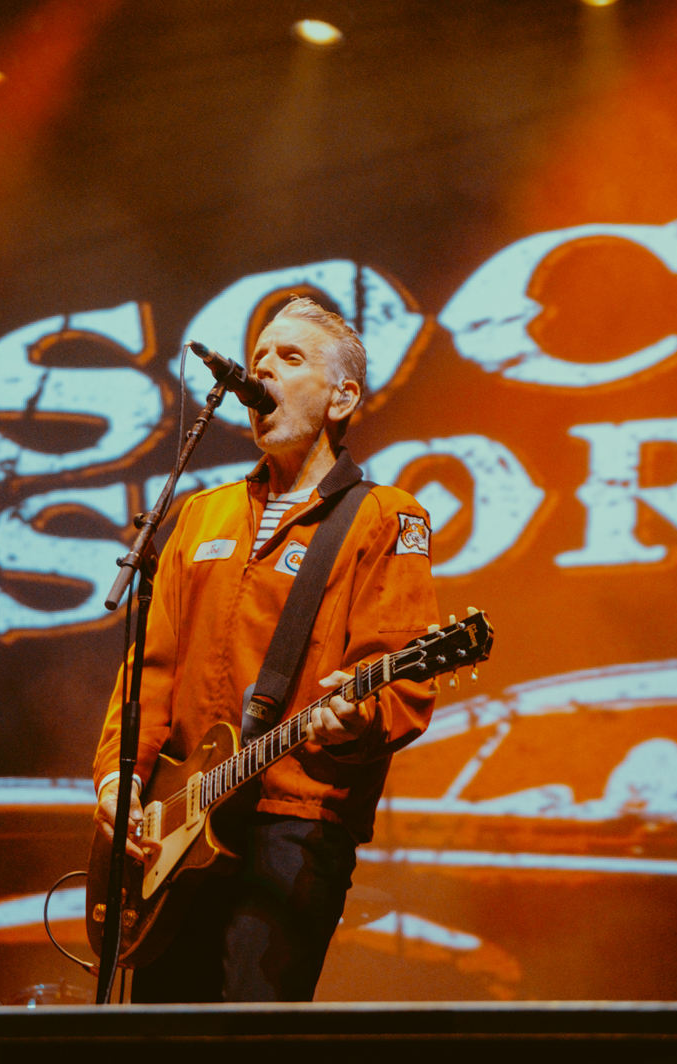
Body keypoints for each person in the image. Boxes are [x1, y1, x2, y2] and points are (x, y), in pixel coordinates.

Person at [93, 296, 440, 1003]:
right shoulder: (202, 514)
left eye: (290, 357)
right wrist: (119, 780)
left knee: (249, 1036)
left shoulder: (382, 517)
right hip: (176, 824)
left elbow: (401, 677)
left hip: (294, 822)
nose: (263, 371)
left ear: (342, 397)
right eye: (258, 358)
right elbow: (152, 667)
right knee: (158, 1038)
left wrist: (358, 719)